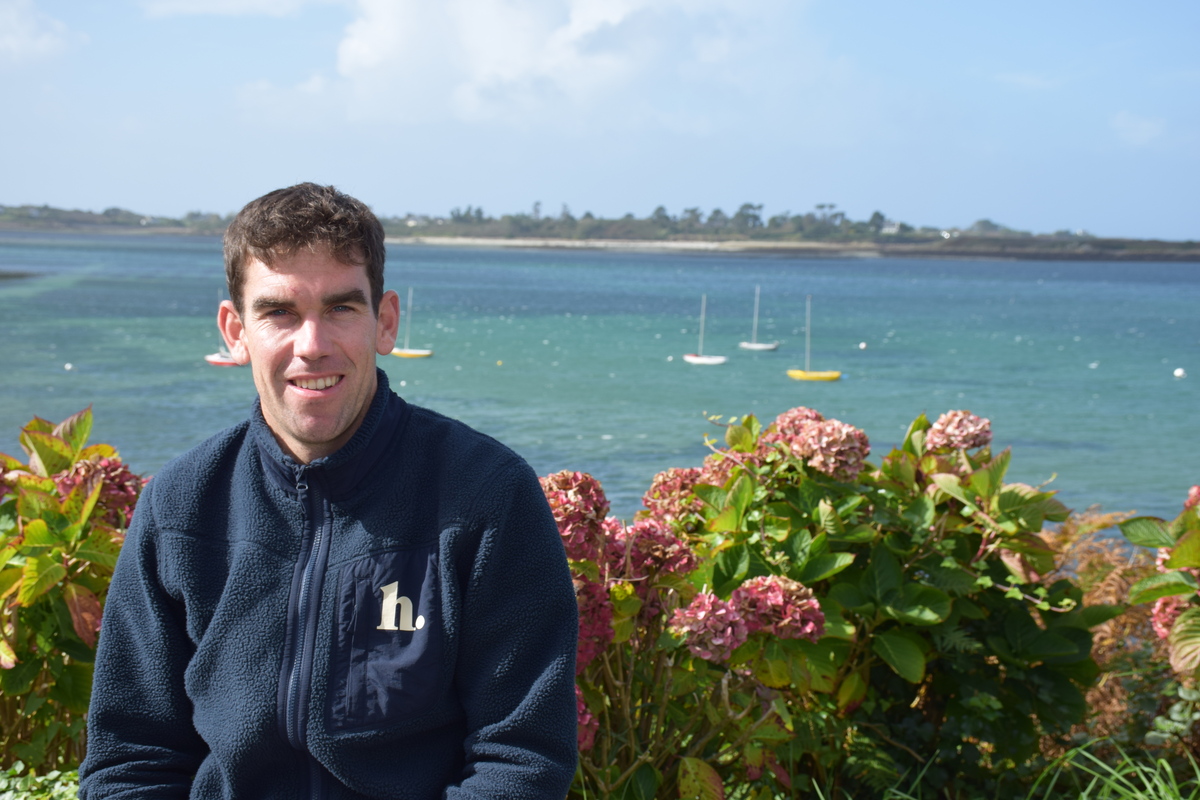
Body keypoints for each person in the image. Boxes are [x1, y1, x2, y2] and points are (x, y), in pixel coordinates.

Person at [79, 183, 579, 799]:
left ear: (385, 321)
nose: (312, 345)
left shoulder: (487, 496)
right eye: (279, 312)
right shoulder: (181, 508)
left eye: (341, 308)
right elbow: (130, 760)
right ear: (235, 331)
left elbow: (521, 760)